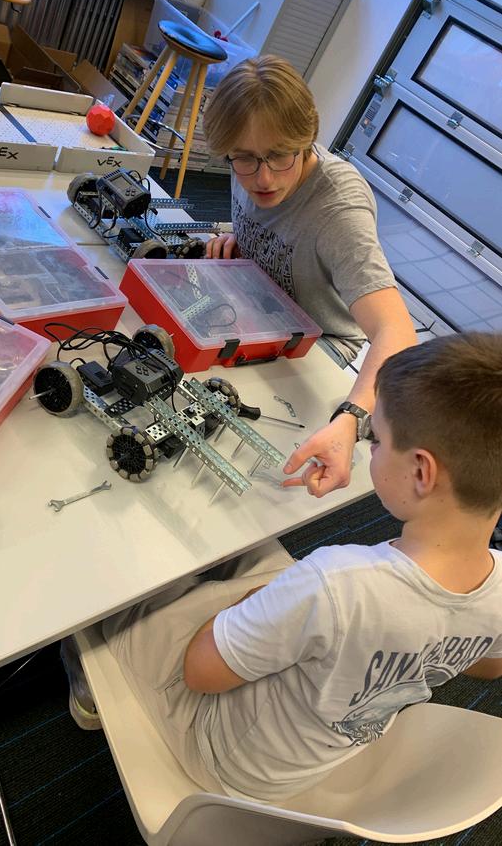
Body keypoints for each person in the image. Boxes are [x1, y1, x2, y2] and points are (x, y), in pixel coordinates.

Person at [64, 331, 502, 803]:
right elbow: (489, 667)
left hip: (222, 751)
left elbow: (200, 672)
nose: (370, 448)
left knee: (119, 588)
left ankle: (90, 690)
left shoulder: (337, 581)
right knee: (260, 553)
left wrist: (253, 604)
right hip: (313, 748)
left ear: (421, 472)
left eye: (377, 439)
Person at [200, 55, 417, 498]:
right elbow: (279, 231)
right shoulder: (248, 162)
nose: (263, 178)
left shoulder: (339, 209)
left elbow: (397, 332)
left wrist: (352, 417)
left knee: (254, 476)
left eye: (279, 156)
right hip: (259, 312)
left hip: (320, 351)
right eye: (244, 158)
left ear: (307, 140)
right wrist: (241, 241)